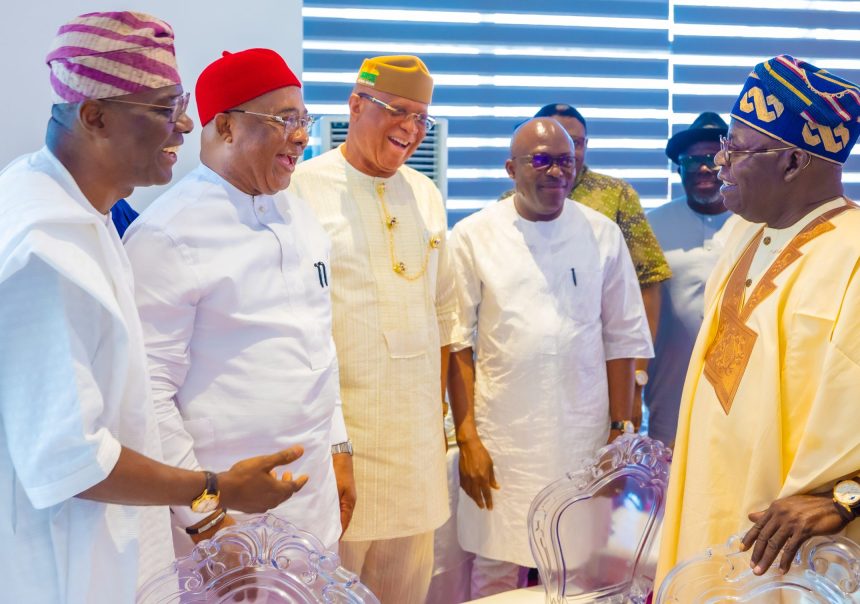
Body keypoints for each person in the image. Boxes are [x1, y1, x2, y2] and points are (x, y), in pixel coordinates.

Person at [0, 13, 307, 604]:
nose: (186, 125)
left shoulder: (85, 215)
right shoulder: (46, 246)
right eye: (166, 108)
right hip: (63, 566)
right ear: (95, 116)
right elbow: (73, 459)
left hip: (113, 546)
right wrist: (214, 491)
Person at [124, 48, 354, 552]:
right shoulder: (166, 234)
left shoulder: (300, 215)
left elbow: (319, 345)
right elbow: (148, 393)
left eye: (304, 119)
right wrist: (205, 518)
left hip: (312, 496)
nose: (301, 136)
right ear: (225, 128)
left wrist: (338, 446)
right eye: (284, 120)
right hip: (223, 520)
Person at [656, 55, 860, 585]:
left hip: (802, 555)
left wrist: (847, 497)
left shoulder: (855, 253)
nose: (718, 164)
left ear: (792, 162)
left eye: (736, 150)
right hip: (709, 506)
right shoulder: (743, 235)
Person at [449, 118, 653, 598]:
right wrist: (468, 438)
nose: (556, 172)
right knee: (495, 564)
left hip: (584, 435)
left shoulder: (602, 234)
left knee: (579, 566)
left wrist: (620, 435)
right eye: (541, 160)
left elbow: (623, 337)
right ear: (510, 168)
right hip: (502, 436)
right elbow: (456, 342)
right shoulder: (473, 235)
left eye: (566, 160)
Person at [290, 55, 456, 603]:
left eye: (422, 118)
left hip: (415, 449)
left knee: (408, 589)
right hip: (342, 446)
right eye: (398, 111)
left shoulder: (426, 194)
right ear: (356, 105)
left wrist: (443, 420)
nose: (411, 128)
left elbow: (443, 314)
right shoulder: (299, 190)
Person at [501, 104, 671, 422]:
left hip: (602, 376)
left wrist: (637, 380)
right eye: (542, 154)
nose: (564, 153)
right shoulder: (505, 211)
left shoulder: (616, 195)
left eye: (574, 143)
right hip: (525, 385)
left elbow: (646, 286)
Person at [644, 112, 732, 446]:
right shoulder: (653, 226)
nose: (703, 168)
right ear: (679, 168)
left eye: (713, 158)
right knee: (668, 488)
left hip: (741, 392)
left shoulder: (757, 224)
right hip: (670, 392)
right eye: (691, 160)